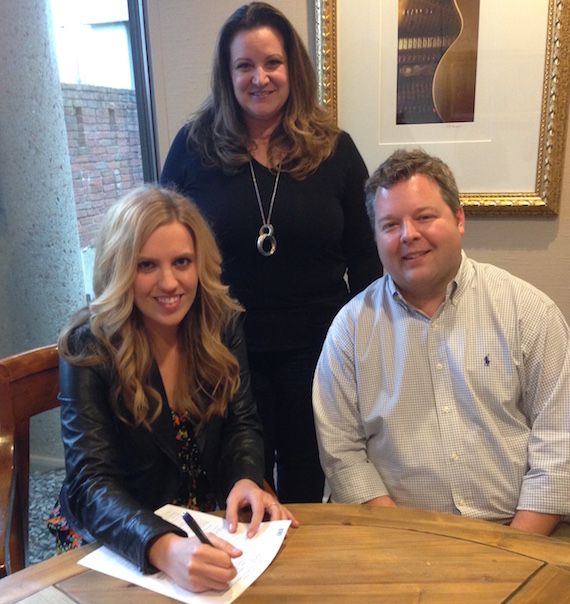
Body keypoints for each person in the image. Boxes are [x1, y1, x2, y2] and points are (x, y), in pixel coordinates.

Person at [160, 2, 382, 503]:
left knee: (309, 487)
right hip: (222, 353)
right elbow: (160, 242)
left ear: (292, 69)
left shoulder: (335, 149)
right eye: (244, 66)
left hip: (321, 353)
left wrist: (370, 350)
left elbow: (367, 261)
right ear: (228, 73)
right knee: (237, 489)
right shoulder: (193, 147)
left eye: (272, 63)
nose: (259, 77)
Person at [48, 186, 297, 593]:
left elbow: (241, 423)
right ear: (119, 269)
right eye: (146, 265)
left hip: (203, 521)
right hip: (117, 530)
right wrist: (162, 547)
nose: (169, 282)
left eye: (182, 262)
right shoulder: (87, 343)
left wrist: (245, 479)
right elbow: (90, 483)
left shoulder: (220, 321)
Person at [313, 148, 570, 535]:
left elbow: (559, 447)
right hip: (398, 536)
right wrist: (410, 545)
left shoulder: (529, 313)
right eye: (389, 224)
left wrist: (513, 552)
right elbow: (343, 456)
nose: (408, 235)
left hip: (521, 533)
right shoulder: (349, 331)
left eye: (424, 217)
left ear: (459, 218)